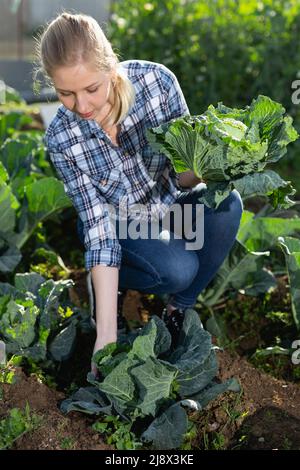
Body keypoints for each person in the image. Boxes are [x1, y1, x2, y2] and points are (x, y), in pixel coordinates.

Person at [35, 12, 243, 375]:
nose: (81, 106)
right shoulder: (61, 139)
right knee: (179, 267)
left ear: (111, 68)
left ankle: (178, 309)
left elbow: (185, 177)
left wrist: (217, 163)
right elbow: (99, 228)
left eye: (91, 89)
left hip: (168, 204)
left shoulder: (156, 83)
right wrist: (106, 336)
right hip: (115, 225)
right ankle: (106, 289)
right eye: (65, 94)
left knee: (226, 203)